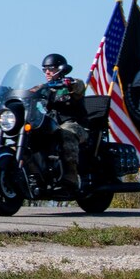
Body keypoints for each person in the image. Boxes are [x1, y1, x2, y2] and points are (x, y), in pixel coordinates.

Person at [38, 53, 89, 190]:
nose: (47, 72)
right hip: (52, 125)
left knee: (66, 133)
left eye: (51, 68)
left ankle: (71, 176)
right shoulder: (44, 88)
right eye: (45, 69)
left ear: (61, 69)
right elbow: (30, 92)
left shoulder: (70, 84)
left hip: (75, 125)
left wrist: (70, 83)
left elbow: (79, 86)